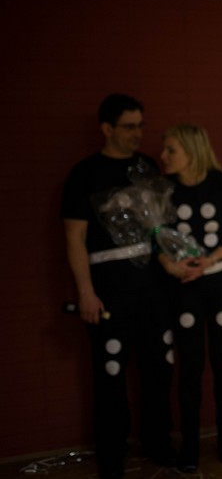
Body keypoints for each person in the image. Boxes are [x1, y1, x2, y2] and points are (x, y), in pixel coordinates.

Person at [60, 93, 174, 479]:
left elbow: (160, 229)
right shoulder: (84, 174)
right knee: (109, 373)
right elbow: (74, 237)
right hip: (108, 289)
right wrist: (85, 291)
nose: (137, 133)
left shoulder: (146, 167)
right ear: (106, 128)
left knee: (158, 367)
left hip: (152, 287)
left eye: (140, 125)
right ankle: (112, 454)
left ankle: (158, 444)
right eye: (128, 126)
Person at [158, 124, 222, 472]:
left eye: (171, 150)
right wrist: (170, 265)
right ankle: (190, 445)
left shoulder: (220, 183)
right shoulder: (164, 189)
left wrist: (208, 261)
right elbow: (156, 237)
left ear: (191, 150)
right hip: (183, 287)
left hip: (220, 284)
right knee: (189, 366)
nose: (163, 156)